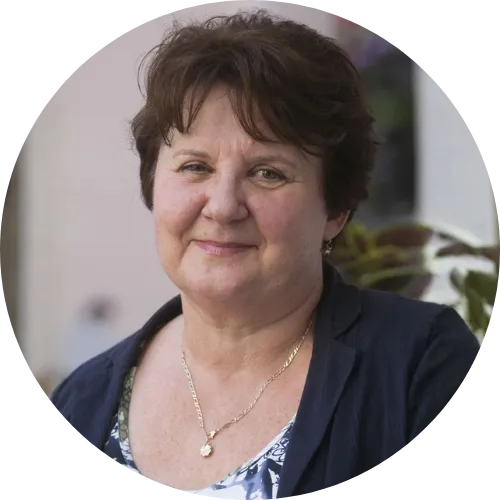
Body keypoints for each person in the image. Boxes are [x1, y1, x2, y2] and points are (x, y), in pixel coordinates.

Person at [50, 10, 480, 498]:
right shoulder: (81, 401)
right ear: (152, 184)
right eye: (194, 166)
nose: (222, 206)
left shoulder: (419, 365)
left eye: (267, 173)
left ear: (335, 209)